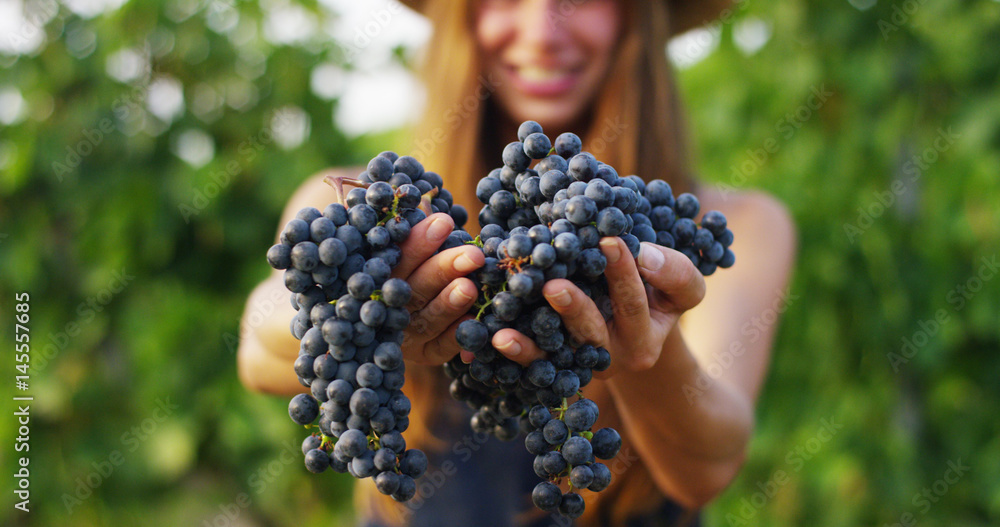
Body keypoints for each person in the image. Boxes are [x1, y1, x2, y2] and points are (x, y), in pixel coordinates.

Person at [238, 0, 796, 525]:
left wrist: (638, 336)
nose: (542, 32)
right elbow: (258, 349)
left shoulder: (723, 227)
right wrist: (378, 307)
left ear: (636, 14)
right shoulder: (362, 207)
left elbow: (706, 470)